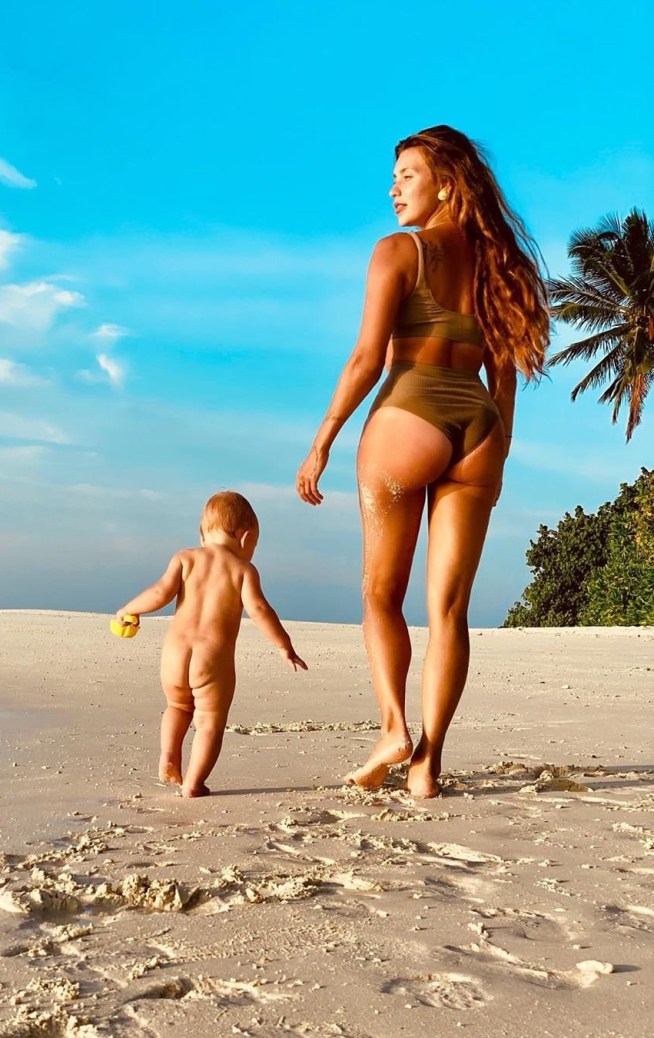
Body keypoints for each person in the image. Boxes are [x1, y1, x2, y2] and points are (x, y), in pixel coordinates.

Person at [296, 125, 548, 798]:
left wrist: (322, 440)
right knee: (449, 611)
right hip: (480, 427)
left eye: (406, 174)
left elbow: (366, 359)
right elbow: (505, 379)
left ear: (445, 183)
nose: (393, 189)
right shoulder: (501, 267)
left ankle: (392, 729)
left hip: (408, 414)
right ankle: (427, 767)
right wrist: (500, 449)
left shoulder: (398, 250)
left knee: (381, 594)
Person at [116, 491, 307, 798]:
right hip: (212, 659)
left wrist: (129, 609)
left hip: (174, 656)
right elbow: (259, 610)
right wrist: (284, 646)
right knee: (209, 722)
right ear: (246, 538)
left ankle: (169, 756)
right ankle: (193, 783)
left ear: (202, 535)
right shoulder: (243, 570)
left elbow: (160, 592)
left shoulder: (185, 559)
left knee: (177, 706)